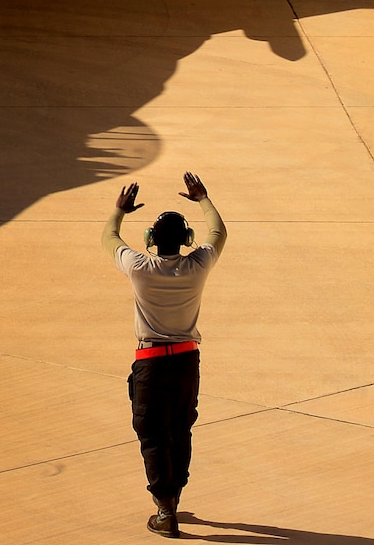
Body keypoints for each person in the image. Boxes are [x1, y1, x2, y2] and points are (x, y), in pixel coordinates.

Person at [105, 172, 228, 538]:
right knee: (180, 428)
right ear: (187, 241)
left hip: (151, 364)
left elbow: (108, 238)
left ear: (150, 241)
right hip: (188, 362)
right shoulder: (198, 266)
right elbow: (218, 233)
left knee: (153, 434)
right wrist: (203, 198)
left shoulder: (139, 268)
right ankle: (172, 495)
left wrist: (119, 210)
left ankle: (165, 510)